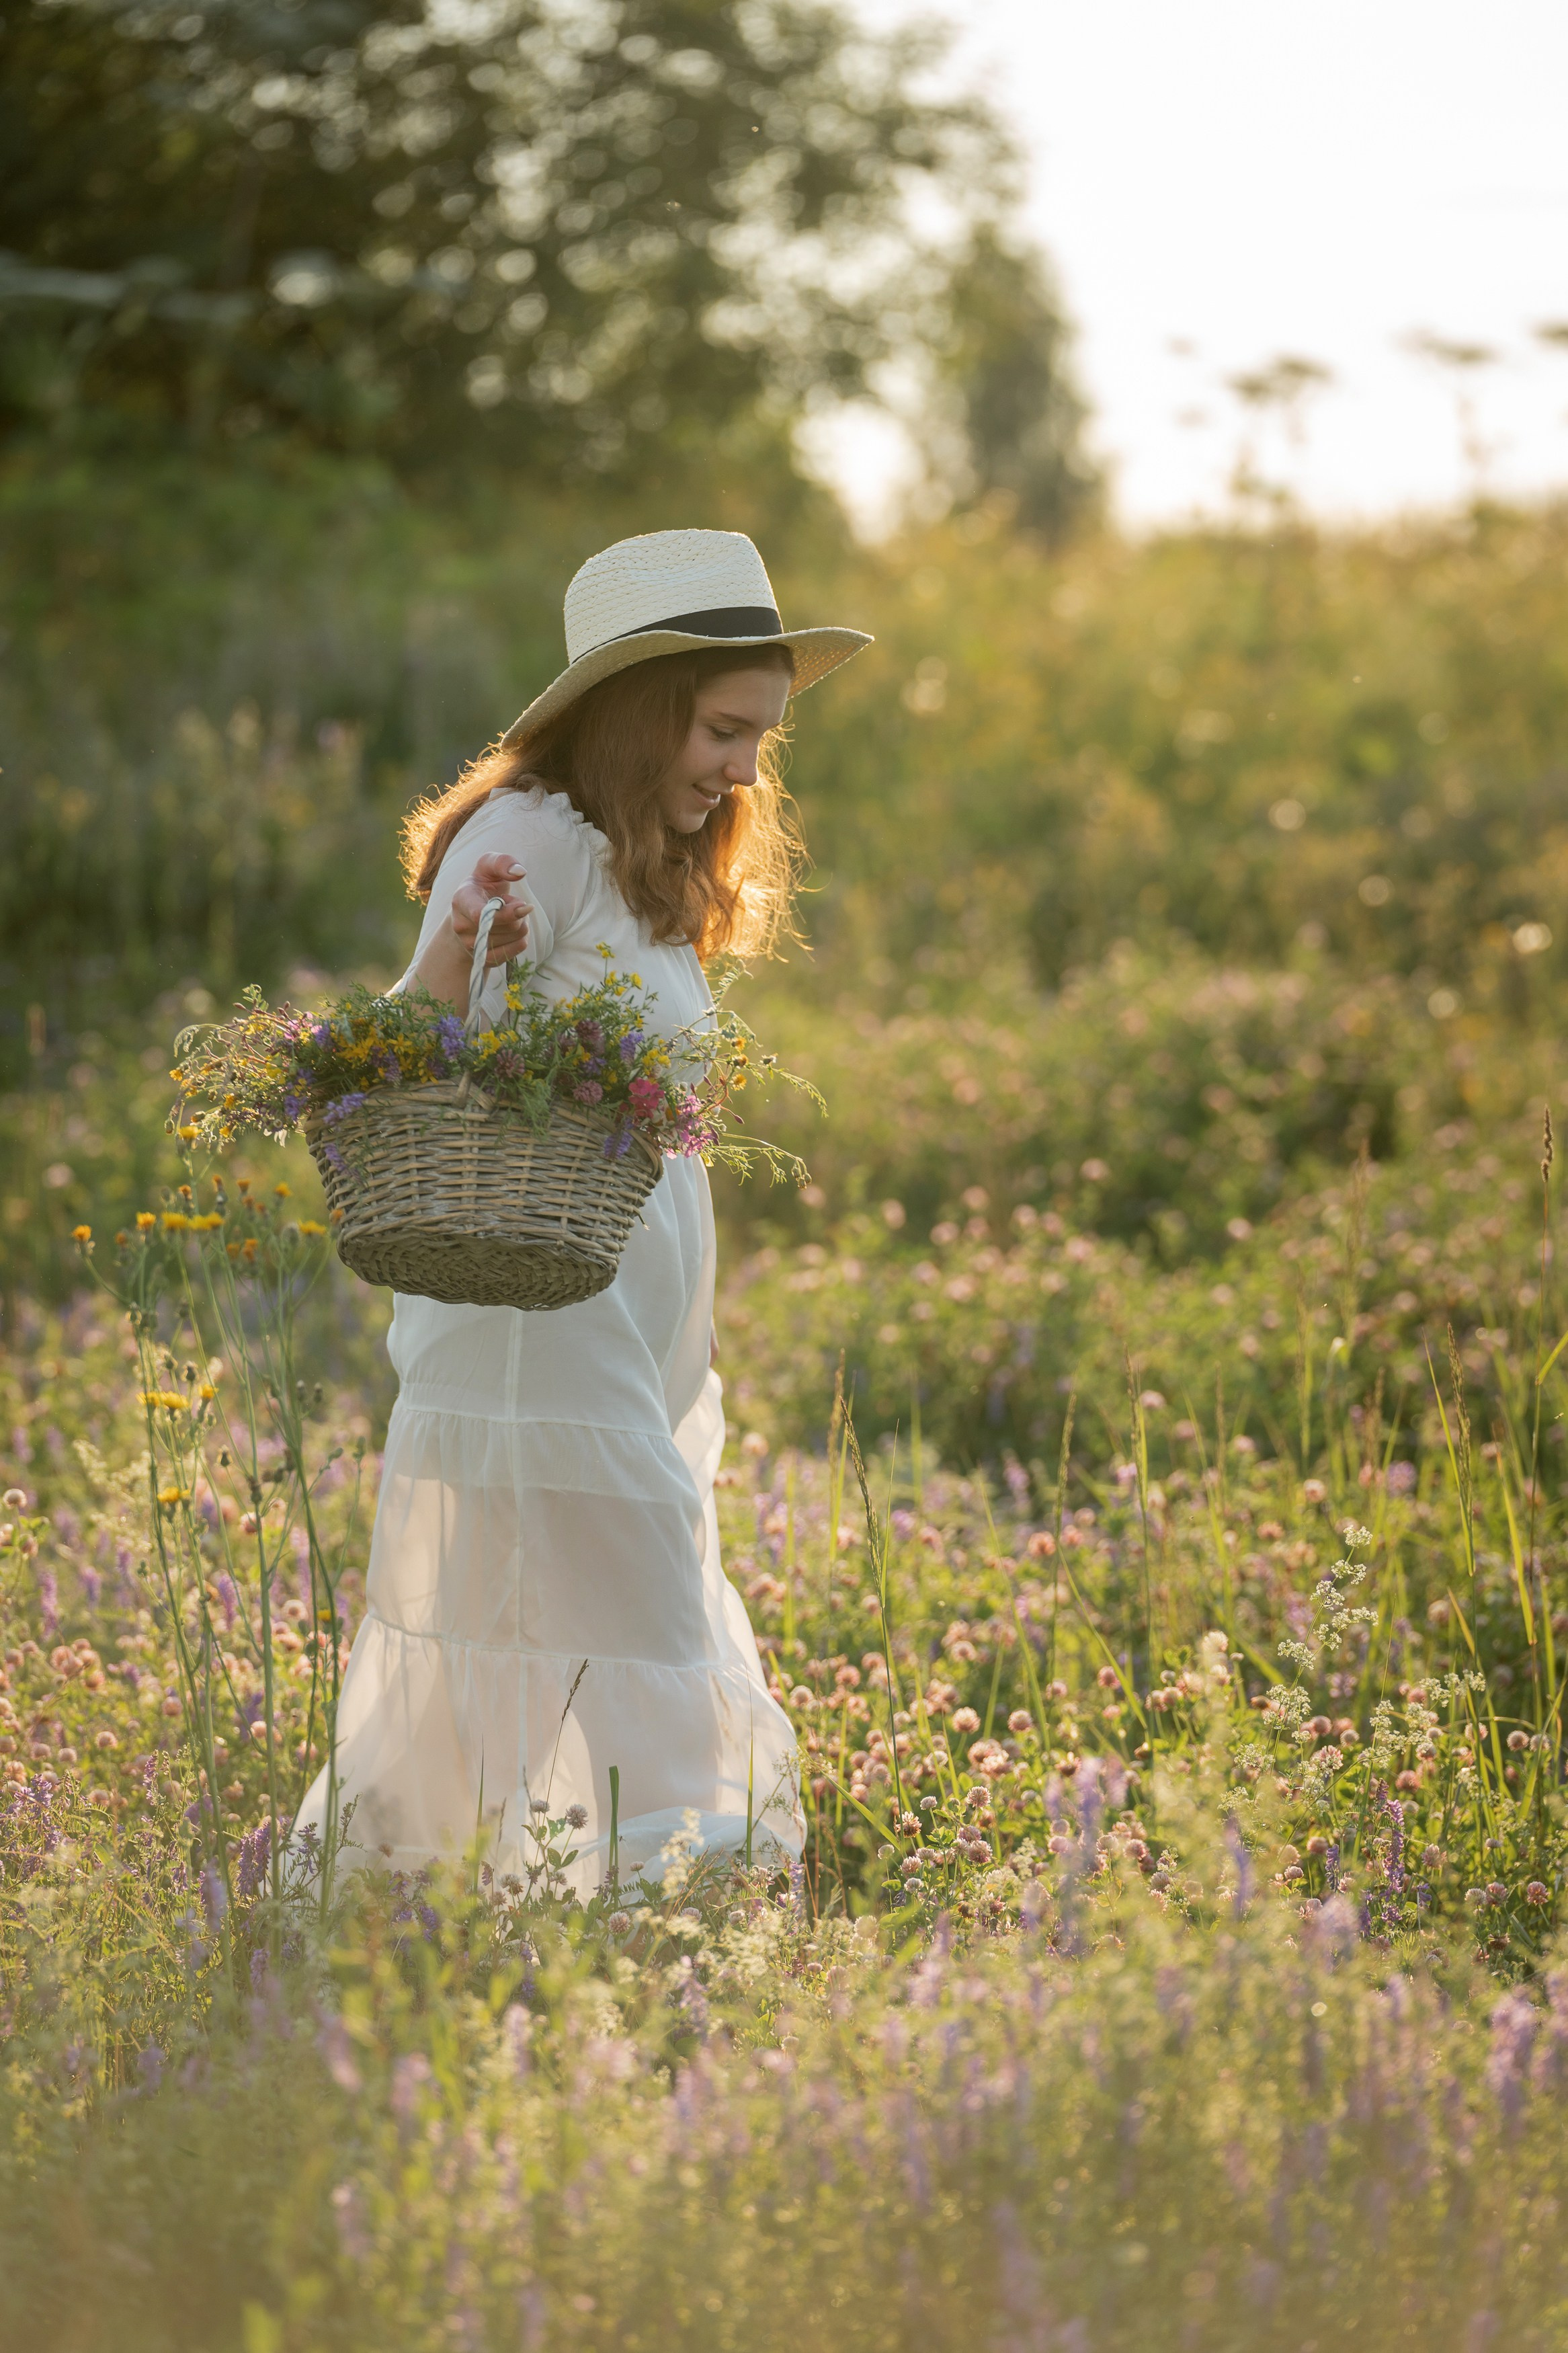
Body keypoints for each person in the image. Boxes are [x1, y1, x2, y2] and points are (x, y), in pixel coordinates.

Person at [293, 530, 870, 1892]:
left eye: (761, 743)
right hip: (536, 1337)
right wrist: (455, 950)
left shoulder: (643, 864)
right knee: (630, 1616)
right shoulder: (530, 839)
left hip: (626, 1334)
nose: (743, 770)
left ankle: (475, 1898)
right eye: (724, 731)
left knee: (548, 1620)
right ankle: (669, 1908)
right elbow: (400, 1054)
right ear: (637, 708)